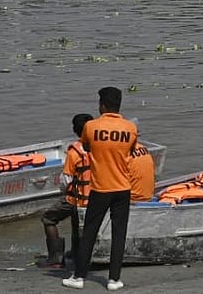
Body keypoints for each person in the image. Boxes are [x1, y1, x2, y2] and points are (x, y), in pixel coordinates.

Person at [63, 87, 138, 292]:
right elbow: (130, 151)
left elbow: (86, 148)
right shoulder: (130, 128)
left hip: (100, 188)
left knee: (89, 233)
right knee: (119, 234)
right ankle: (114, 279)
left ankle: (79, 277)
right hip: (123, 188)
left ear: (102, 105)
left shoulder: (90, 127)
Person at [38, 113, 94, 268]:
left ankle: (55, 257)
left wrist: (65, 191)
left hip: (76, 198)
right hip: (96, 197)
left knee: (48, 218)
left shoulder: (74, 152)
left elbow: (66, 180)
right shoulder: (100, 148)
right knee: (76, 221)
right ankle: (76, 252)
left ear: (75, 131)